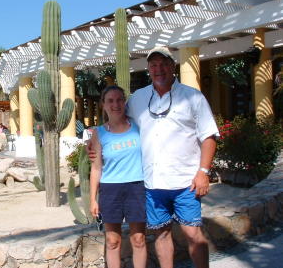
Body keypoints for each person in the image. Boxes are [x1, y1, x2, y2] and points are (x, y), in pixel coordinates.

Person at [88, 46, 218, 268]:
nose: (158, 69)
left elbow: (208, 136)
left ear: (172, 66)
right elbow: (117, 118)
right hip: (152, 183)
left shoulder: (193, 97)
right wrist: (94, 141)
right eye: (153, 65)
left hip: (185, 181)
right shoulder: (138, 98)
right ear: (148, 69)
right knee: (161, 235)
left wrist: (203, 172)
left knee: (193, 233)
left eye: (163, 64)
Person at [90, 85, 147, 268]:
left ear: (125, 102)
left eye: (119, 100)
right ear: (104, 105)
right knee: (113, 241)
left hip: (136, 187)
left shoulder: (138, 126)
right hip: (110, 189)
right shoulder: (99, 133)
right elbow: (96, 167)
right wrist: (93, 199)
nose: (116, 104)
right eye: (110, 101)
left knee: (138, 239)